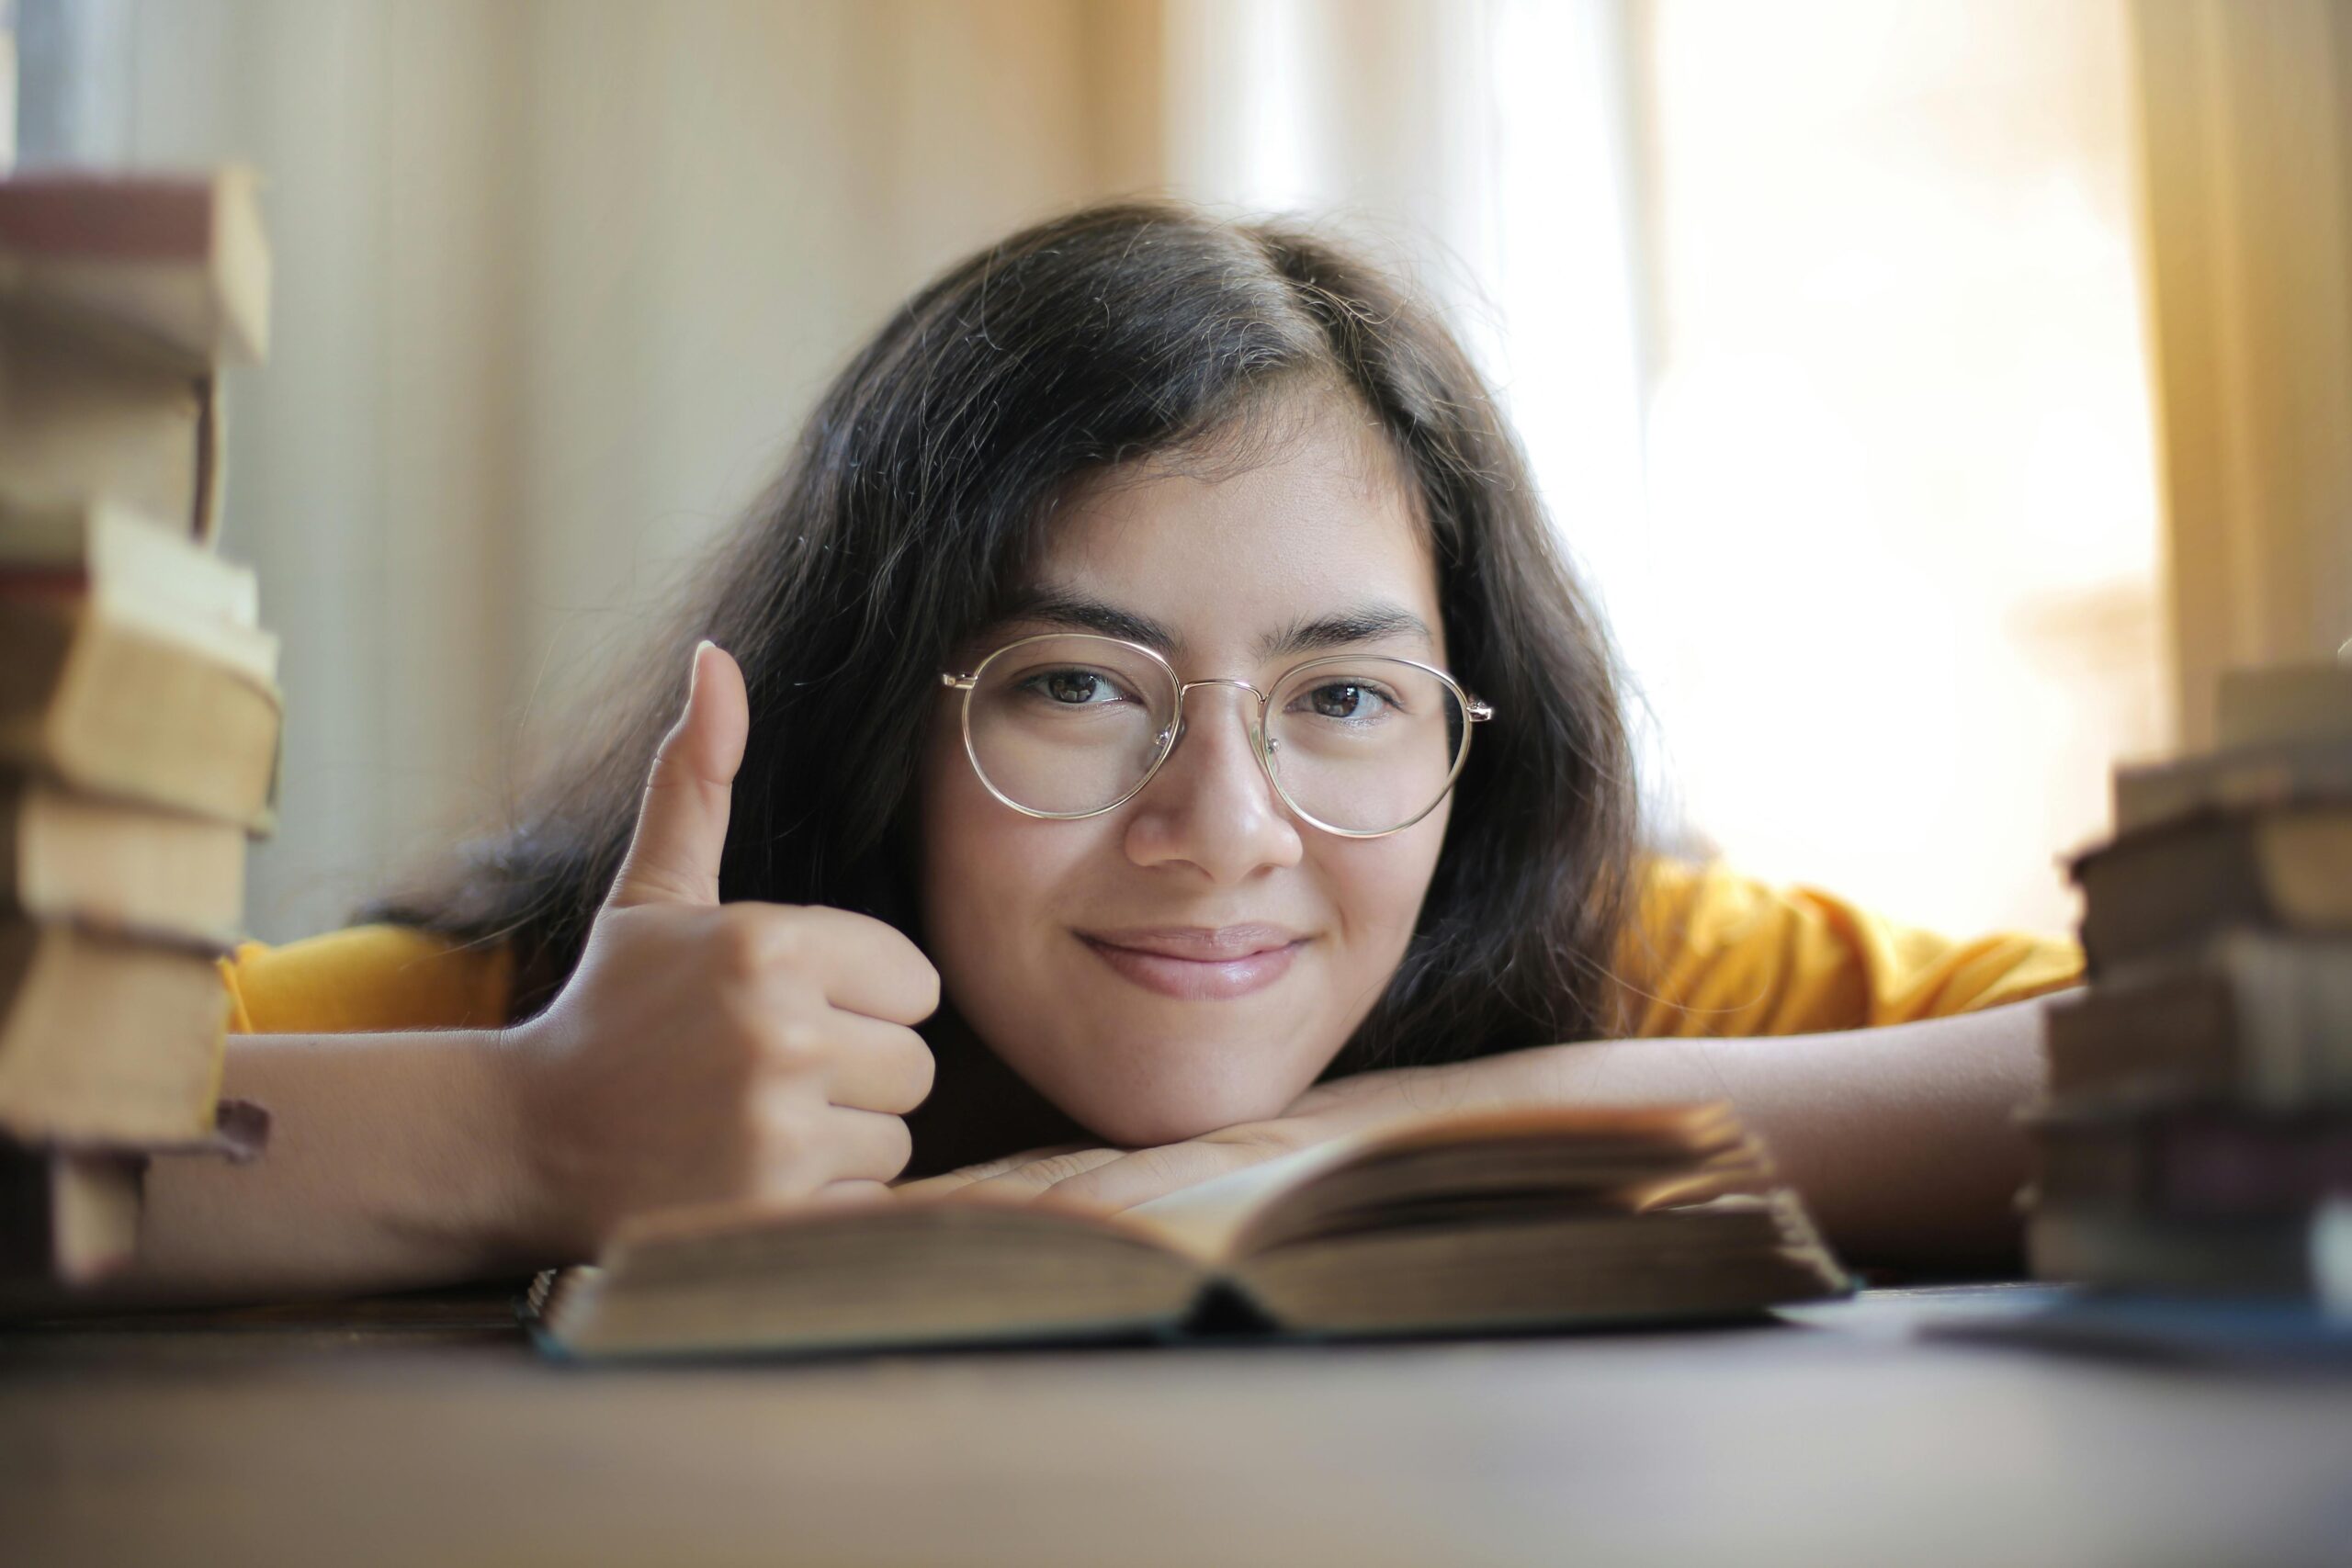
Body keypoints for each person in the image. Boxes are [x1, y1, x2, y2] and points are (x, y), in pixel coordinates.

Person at [136, 200, 2079, 1303]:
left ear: (1469, 735)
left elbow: (2257, 1048)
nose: (1223, 832)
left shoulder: (1589, 954)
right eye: (1074, 684)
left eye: (1341, 696)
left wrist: (1423, 1126)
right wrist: (527, 1128)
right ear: (875, 705)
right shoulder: (624, 1016)